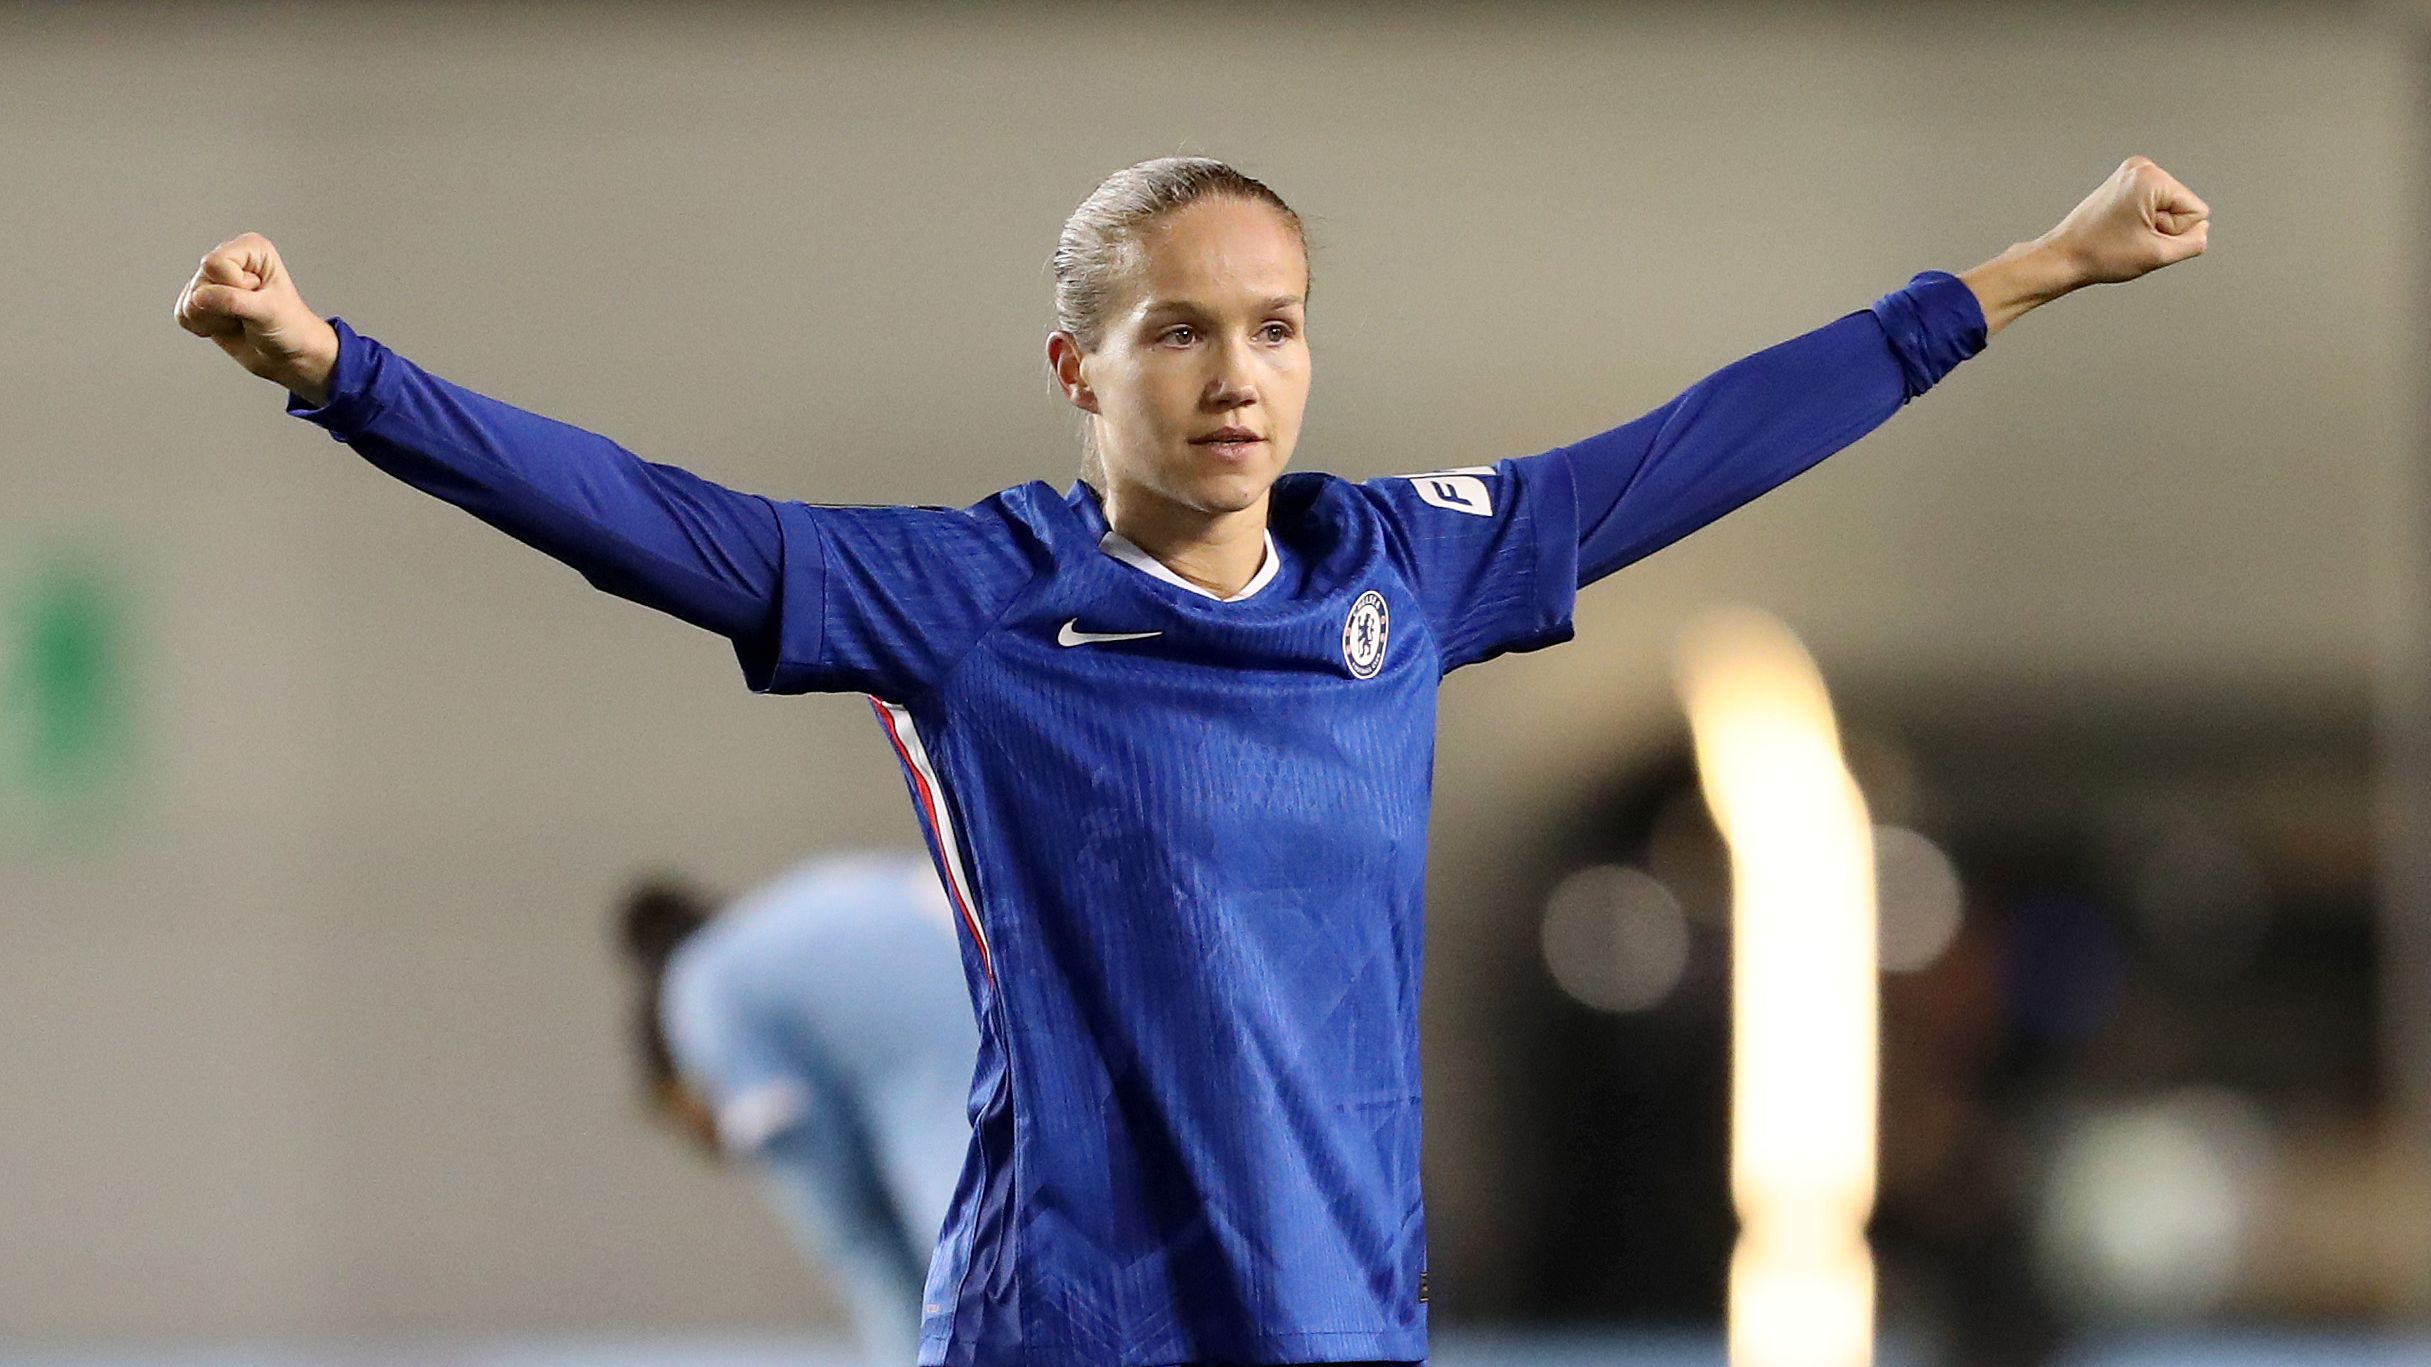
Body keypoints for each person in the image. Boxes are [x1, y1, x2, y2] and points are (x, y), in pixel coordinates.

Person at [175, 153, 2207, 1366]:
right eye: (1178, 330)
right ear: (1080, 366)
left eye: (1275, 325)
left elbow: (1710, 435)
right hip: (1070, 1323)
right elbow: (648, 517)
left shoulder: (1407, 565)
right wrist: (341, 374)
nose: (1238, 373)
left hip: (1343, 1316)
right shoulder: (973, 597)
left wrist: (2030, 271)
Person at [615, 855, 978, 1365]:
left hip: (984, 1198)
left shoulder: (701, 992)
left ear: (686, 1083)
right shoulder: (819, 899)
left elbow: (859, 1240)